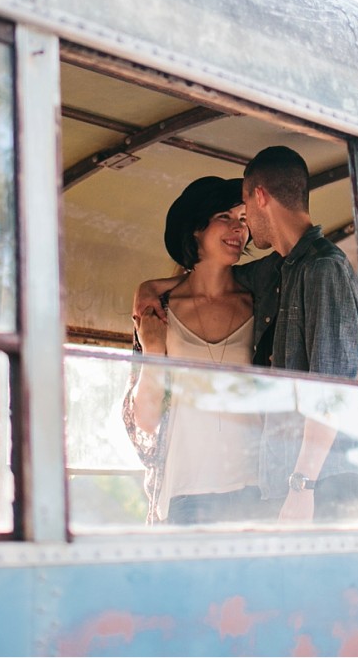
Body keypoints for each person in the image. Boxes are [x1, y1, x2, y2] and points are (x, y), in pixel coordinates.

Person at [132, 145, 358, 524]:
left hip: (301, 485)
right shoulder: (277, 273)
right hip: (228, 487)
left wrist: (301, 486)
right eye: (225, 216)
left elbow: (334, 389)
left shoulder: (312, 271)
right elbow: (212, 277)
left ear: (259, 197)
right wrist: (148, 293)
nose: (240, 227)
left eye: (243, 212)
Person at [121, 176, 265, 525]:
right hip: (187, 492)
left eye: (244, 219)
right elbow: (146, 419)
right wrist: (154, 350)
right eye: (224, 217)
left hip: (256, 489)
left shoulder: (261, 301)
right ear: (196, 228)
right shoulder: (161, 308)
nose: (238, 229)